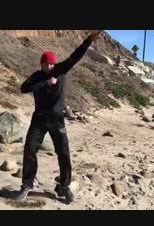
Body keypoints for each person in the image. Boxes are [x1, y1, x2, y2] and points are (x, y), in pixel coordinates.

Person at [15, 31, 103, 204]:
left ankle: (64, 186)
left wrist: (88, 40)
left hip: (57, 120)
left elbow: (75, 56)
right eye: (46, 63)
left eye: (51, 63)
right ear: (41, 64)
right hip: (39, 119)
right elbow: (23, 88)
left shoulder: (61, 69)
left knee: (63, 153)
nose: (49, 66)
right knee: (29, 150)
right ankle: (27, 185)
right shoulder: (37, 76)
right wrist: (43, 84)